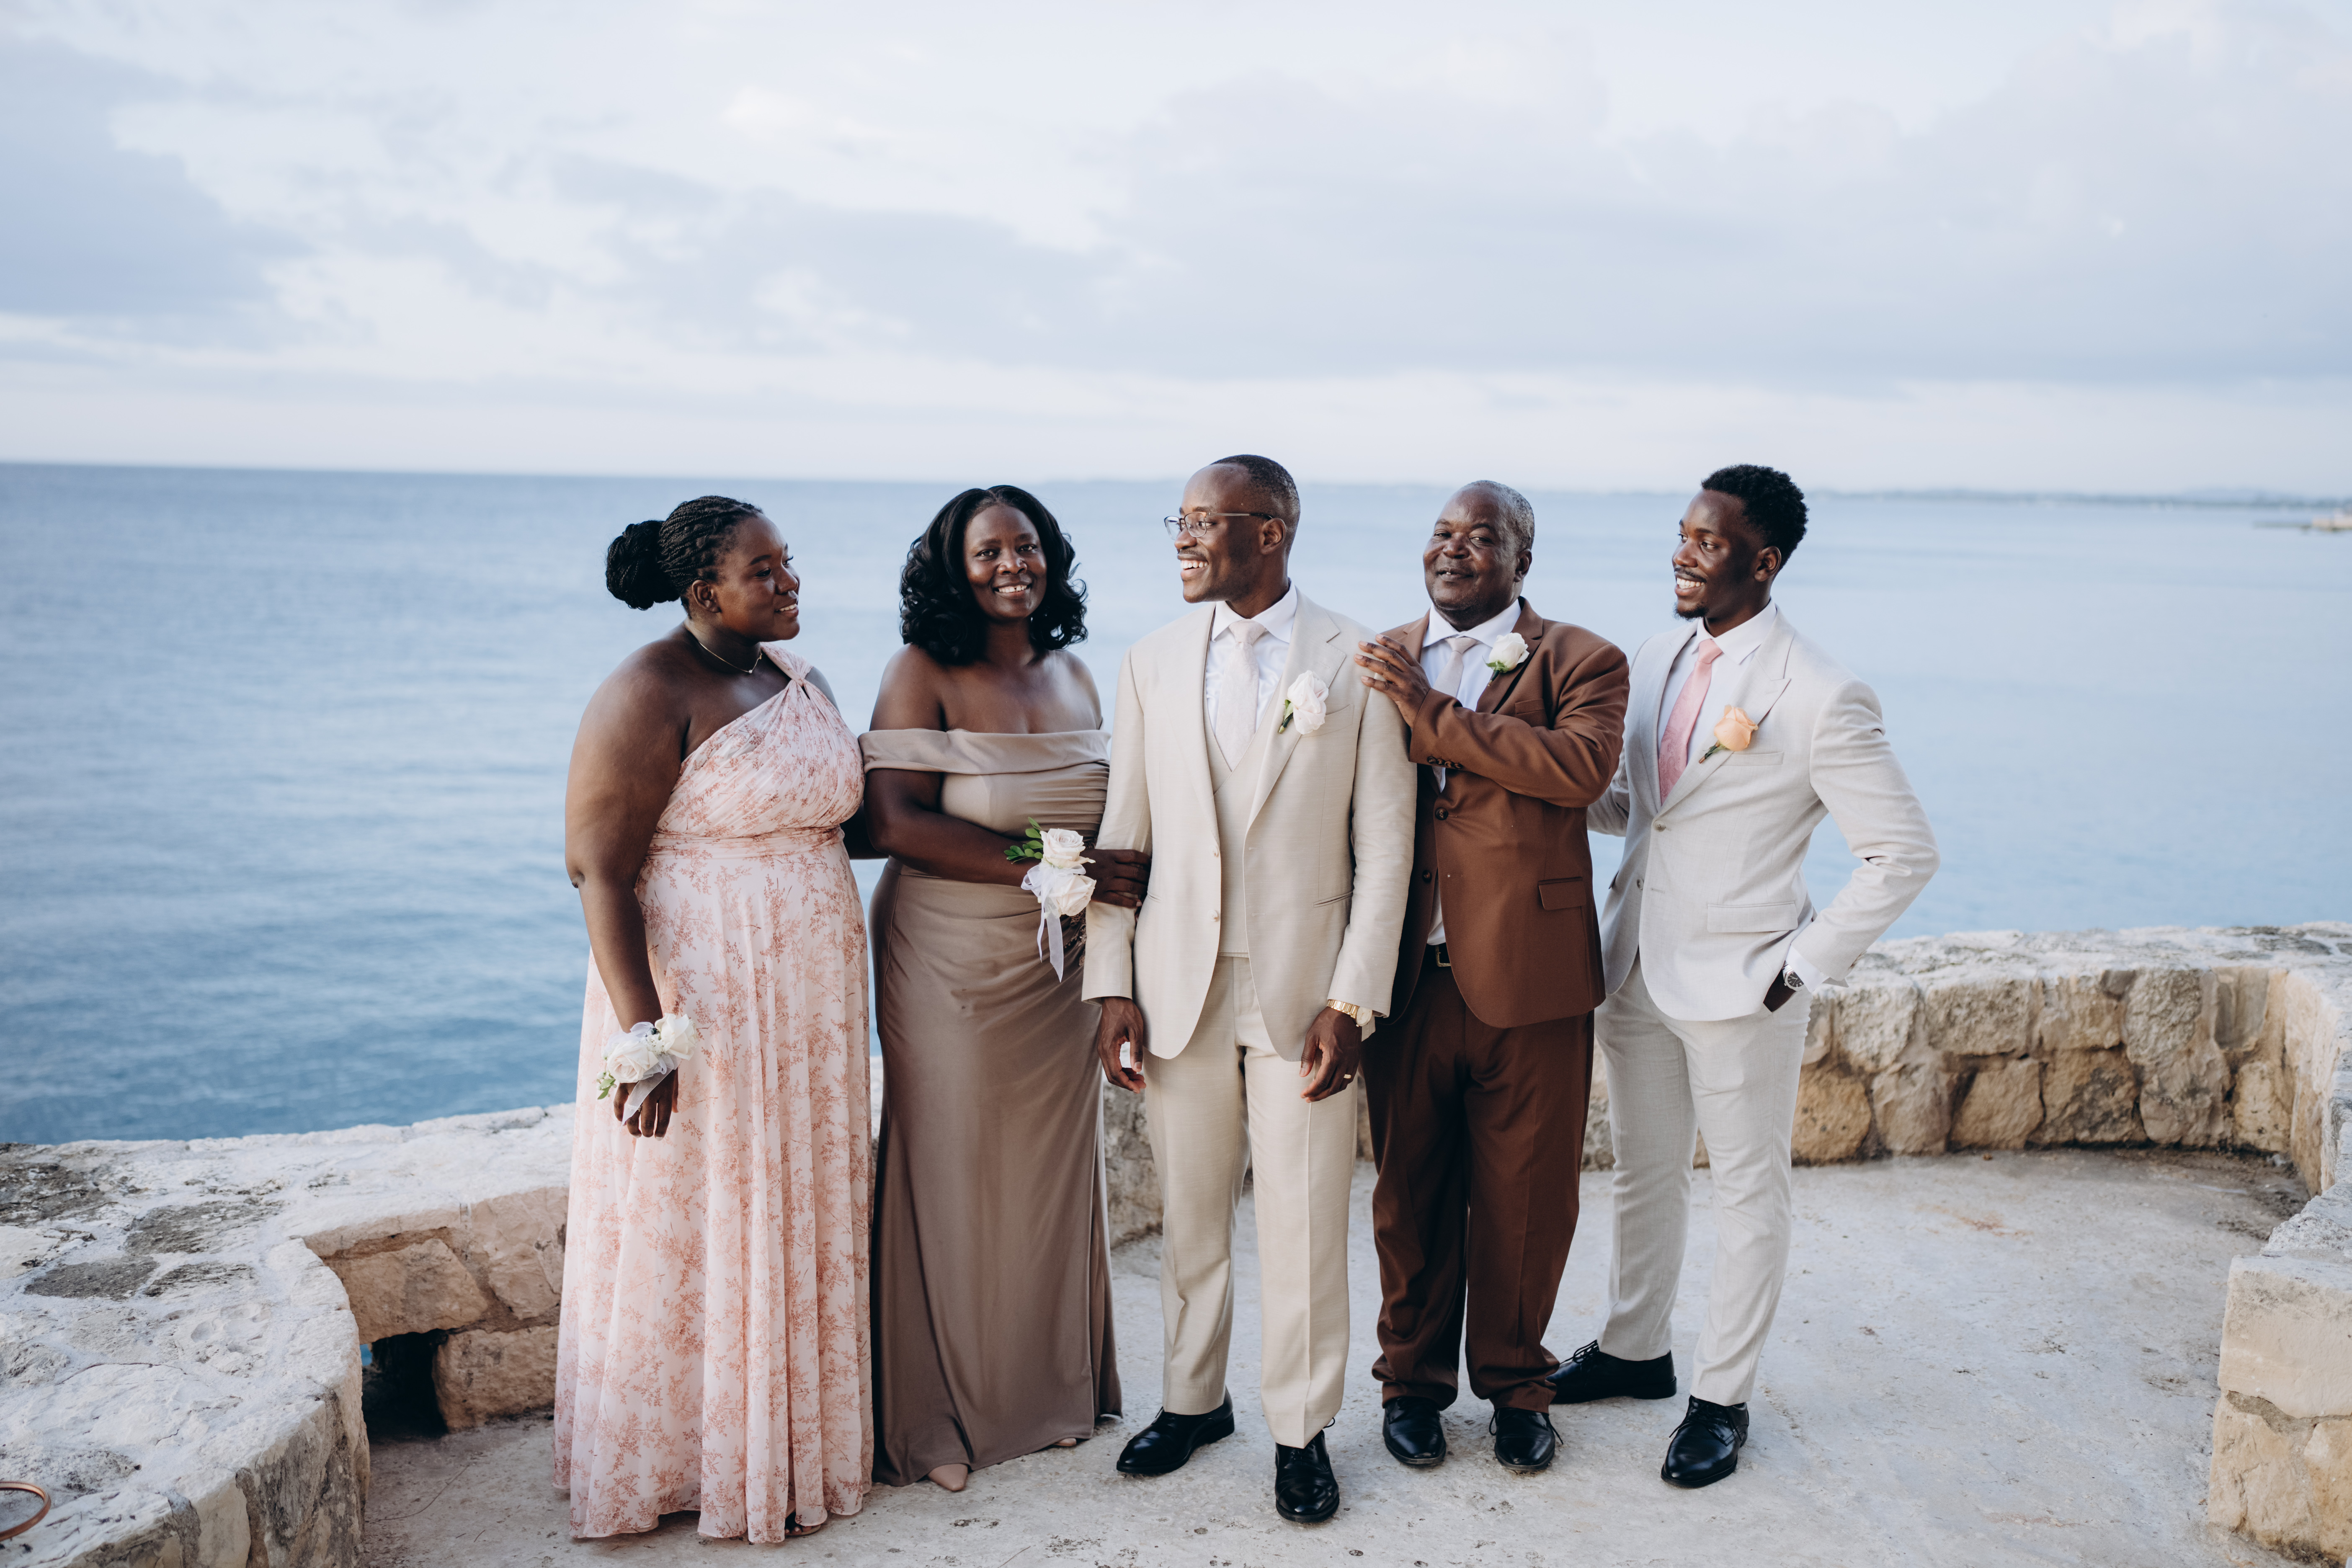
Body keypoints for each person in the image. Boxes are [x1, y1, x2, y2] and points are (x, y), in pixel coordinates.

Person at [1553, 464, 1938, 1488]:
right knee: (1643, 1170)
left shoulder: (1820, 693)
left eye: (1709, 542)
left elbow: (1903, 854)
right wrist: (1528, 777)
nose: (1683, 554)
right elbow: (1637, 806)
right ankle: (1635, 1349)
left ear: (1763, 563)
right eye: (1682, 534)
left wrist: (1798, 968)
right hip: (1634, 963)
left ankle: (1721, 1399)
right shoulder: (1657, 655)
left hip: (1745, 983)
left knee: (1749, 1193)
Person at [1084, 454, 1415, 1524]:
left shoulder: (1356, 661)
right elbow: (1124, 840)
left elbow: (1387, 852)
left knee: (1307, 1219)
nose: (1183, 540)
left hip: (1305, 994)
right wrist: (1112, 984)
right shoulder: (1150, 661)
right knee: (1191, 1213)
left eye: (1204, 521)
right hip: (1176, 986)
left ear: (1270, 531)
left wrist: (1353, 1002)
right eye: (1177, 522)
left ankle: (1301, 1431)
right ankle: (1193, 1403)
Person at [554, 496, 872, 1542]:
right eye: (765, 571)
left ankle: (779, 1445)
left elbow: (850, 816)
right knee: (697, 1217)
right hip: (706, 992)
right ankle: (677, 1462)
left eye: (789, 563)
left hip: (809, 1003)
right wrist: (646, 1039)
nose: (790, 583)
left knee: (792, 1200)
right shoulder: (648, 689)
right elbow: (598, 871)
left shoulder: (796, 677)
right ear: (704, 591)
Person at [861, 486, 1145, 1493]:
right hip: (948, 958)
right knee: (949, 1171)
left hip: (1057, 967)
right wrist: (1047, 859)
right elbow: (893, 822)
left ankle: (1048, 1396)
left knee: (1048, 1180)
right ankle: (938, 1419)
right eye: (987, 553)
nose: (1011, 566)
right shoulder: (921, 671)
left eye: (1026, 547)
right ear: (954, 568)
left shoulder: (1077, 673)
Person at [1350, 482, 1627, 1475]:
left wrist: (1431, 713)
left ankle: (1518, 1388)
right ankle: (1410, 1386)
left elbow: (1580, 768)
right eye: (1442, 532)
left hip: (1533, 979)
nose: (1455, 549)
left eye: (1482, 537)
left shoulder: (1584, 658)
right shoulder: (1374, 658)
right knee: (1409, 1197)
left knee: (1529, 1200)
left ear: (1522, 560)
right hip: (1404, 978)